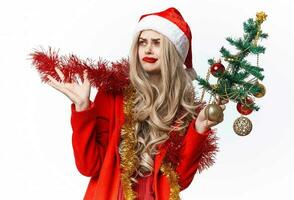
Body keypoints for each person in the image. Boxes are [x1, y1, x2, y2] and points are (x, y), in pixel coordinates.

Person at [46, 7, 225, 200]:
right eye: (142, 42)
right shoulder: (113, 94)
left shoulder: (182, 108)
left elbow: (179, 181)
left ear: (172, 51)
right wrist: (82, 110)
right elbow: (88, 167)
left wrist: (198, 129)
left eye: (157, 43)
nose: (148, 49)